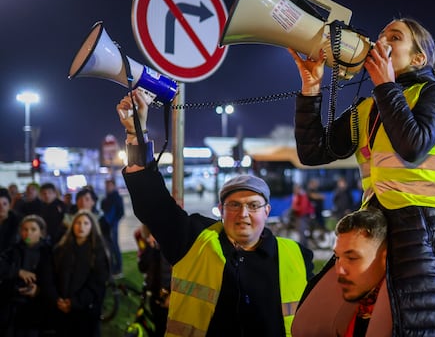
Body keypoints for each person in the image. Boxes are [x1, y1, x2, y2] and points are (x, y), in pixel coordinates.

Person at [288, 17, 435, 335]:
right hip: (377, 231)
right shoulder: (369, 108)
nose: (381, 42)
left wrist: (385, 86)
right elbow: (313, 152)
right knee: (328, 323)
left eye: (394, 37)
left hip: (426, 233)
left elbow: (413, 145)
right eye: (381, 35)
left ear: (418, 58)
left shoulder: (434, 94)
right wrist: (311, 88)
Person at [116, 89, 315, 337]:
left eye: (253, 205)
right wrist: (137, 132)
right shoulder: (193, 240)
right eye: (234, 205)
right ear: (221, 210)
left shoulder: (298, 256)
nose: (243, 213)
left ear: (267, 211)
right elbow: (151, 202)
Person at [292, 207, 389, 336]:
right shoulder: (351, 311)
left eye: (352, 258)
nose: (339, 270)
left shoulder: (399, 317)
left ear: (384, 258)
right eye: (337, 257)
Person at [46, 209, 110, 337]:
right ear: (72, 225)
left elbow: (97, 282)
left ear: (92, 226)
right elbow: (51, 275)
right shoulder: (61, 249)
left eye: (86, 223)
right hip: (61, 309)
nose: (81, 227)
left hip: (86, 311)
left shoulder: (98, 251)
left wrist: (74, 302)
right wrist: (57, 299)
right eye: (78, 223)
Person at [0, 214, 54, 337]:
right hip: (12, 305)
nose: (28, 233)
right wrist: (17, 271)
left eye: (33, 229)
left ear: (41, 233)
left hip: (36, 308)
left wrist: (39, 290)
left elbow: (53, 278)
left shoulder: (49, 252)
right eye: (25, 229)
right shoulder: (14, 250)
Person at [134, 224, 172, 337]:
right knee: (158, 328)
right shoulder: (148, 241)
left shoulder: (173, 241)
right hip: (155, 295)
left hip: (170, 297)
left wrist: (172, 294)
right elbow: (142, 267)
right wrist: (149, 247)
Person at [100, 178, 125, 275]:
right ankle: (113, 268)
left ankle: (118, 268)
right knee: (109, 247)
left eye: (110, 185)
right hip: (106, 226)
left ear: (114, 186)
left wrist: (114, 222)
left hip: (113, 226)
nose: (108, 187)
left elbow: (120, 212)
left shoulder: (117, 197)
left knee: (114, 246)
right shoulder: (106, 198)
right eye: (107, 186)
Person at [38, 182, 68, 246]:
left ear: (55, 193)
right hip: (44, 238)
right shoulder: (39, 206)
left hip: (60, 238)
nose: (47, 195)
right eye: (44, 193)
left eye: (49, 193)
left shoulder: (62, 206)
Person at [0, 188, 20, 254]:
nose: (1, 207)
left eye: (4, 204)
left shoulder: (18, 220)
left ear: (9, 205)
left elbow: (26, 240)